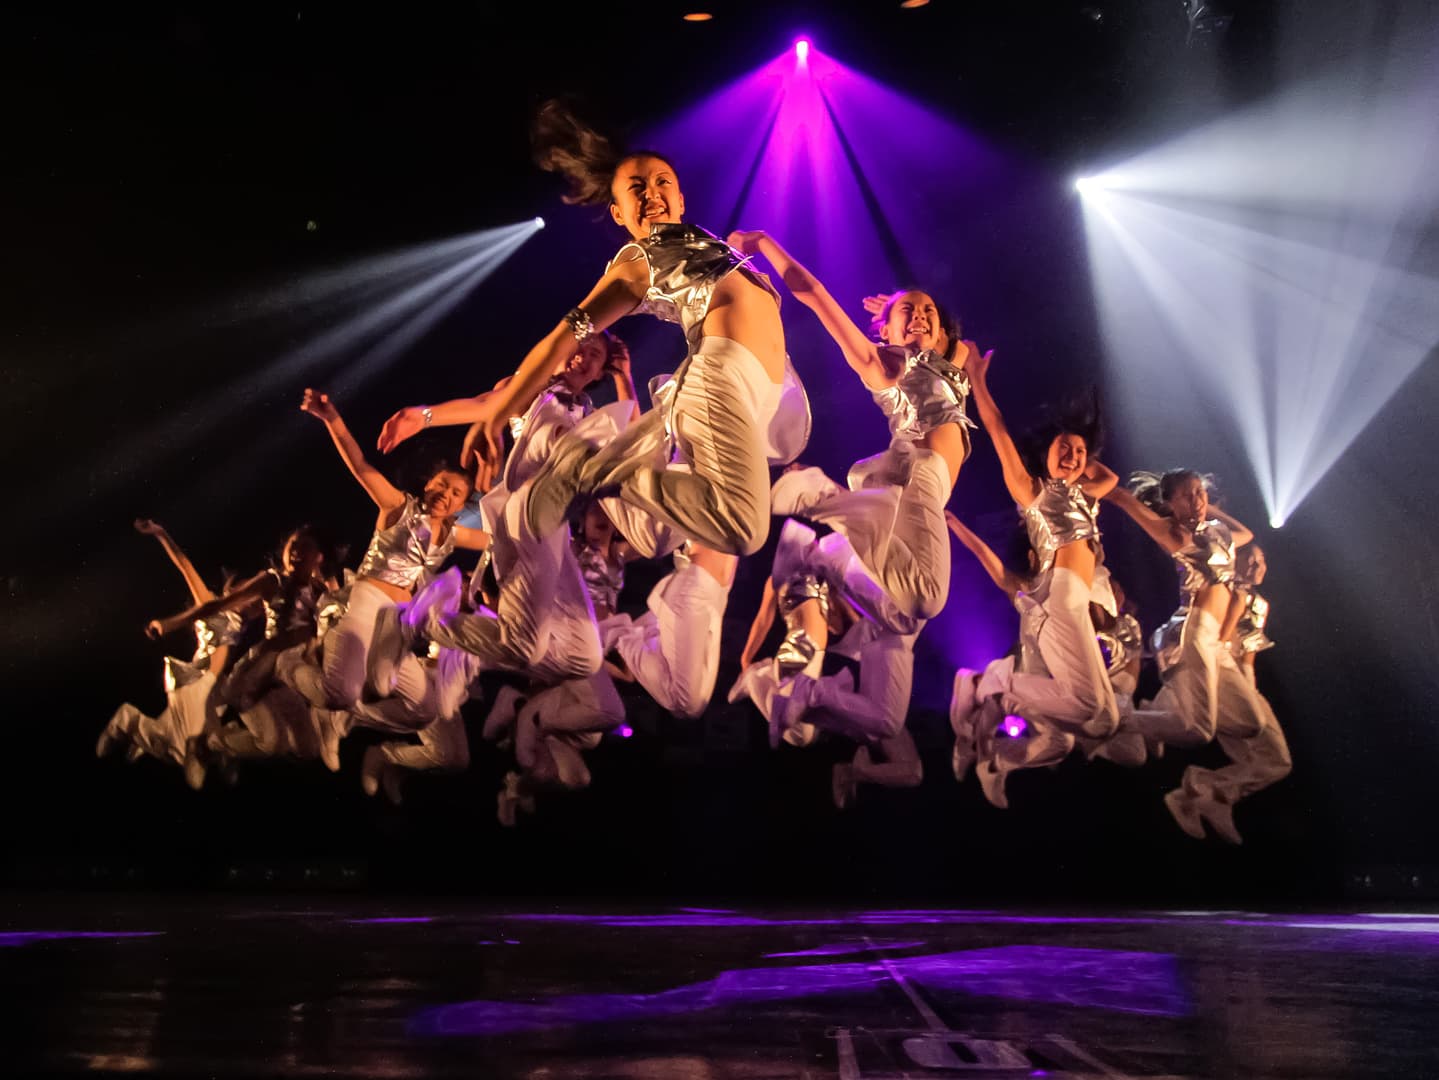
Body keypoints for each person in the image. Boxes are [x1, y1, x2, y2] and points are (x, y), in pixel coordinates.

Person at [449, 98, 810, 562]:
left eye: (661, 183)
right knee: (744, 529)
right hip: (719, 380)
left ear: (681, 199)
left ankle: (607, 473)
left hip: (758, 393)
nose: (651, 194)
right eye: (635, 189)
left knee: (693, 534)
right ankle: (588, 469)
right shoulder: (639, 261)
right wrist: (499, 413)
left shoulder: (706, 246)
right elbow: (563, 338)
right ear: (619, 213)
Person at [723, 235, 975, 622]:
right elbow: (813, 293)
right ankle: (820, 496)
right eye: (909, 311)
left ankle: (830, 545)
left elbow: (964, 347)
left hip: (912, 483)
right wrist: (762, 242)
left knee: (899, 618)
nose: (920, 315)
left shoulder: (947, 368)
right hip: (921, 474)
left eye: (928, 311)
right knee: (923, 602)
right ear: (884, 332)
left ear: (941, 331)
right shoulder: (885, 365)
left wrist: (898, 310)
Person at [286, 389, 488, 771]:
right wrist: (332, 419)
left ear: (462, 505)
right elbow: (360, 465)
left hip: (398, 622)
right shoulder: (398, 507)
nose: (445, 494)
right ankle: (291, 669)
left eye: (456, 493)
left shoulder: (454, 535)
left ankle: (351, 720)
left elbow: (505, 537)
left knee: (425, 709)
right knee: (340, 692)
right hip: (367, 603)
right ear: (427, 484)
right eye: (441, 484)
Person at [950, 360, 1125, 760]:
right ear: (1044, 452)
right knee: (1088, 706)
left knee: (1106, 722)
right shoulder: (1033, 491)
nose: (1073, 455)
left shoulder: (1085, 497)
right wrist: (977, 380)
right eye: (1064, 448)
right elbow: (996, 428)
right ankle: (986, 683)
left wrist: (1079, 452)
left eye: (1080, 452)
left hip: (1075, 602)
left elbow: (1111, 479)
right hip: (1058, 598)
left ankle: (1008, 707)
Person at [1104, 471, 1291, 844]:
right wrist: (1103, 487)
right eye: (1187, 496)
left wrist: (1212, 509)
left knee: (1252, 724)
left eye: (1200, 493)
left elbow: (1246, 534)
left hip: (1215, 645)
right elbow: (1125, 501)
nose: (1197, 500)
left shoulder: (1216, 533)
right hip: (1196, 633)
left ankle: (1204, 787)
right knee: (1198, 730)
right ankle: (1114, 717)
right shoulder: (1176, 535)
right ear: (1170, 504)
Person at [97, 519, 260, 766]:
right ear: (235, 591)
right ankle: (129, 722)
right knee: (189, 748)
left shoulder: (246, 628)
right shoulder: (211, 605)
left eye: (259, 603)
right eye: (251, 596)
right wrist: (160, 533)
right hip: (198, 679)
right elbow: (185, 566)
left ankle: (136, 727)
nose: (256, 603)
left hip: (215, 688)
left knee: (179, 745)